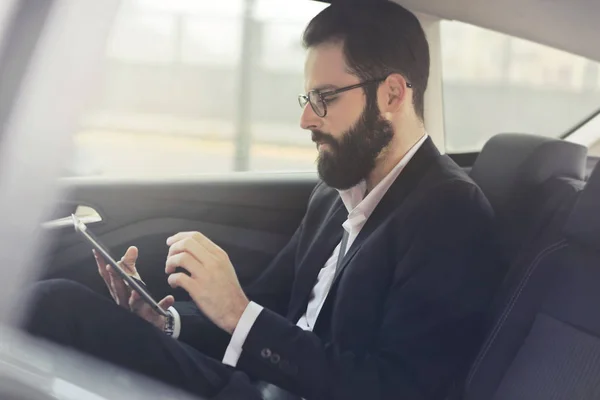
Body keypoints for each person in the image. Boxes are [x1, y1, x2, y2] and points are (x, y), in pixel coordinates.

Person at [23, 2, 503, 399]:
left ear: (393, 94)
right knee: (53, 303)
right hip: (254, 384)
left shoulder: (451, 214)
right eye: (306, 100)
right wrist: (166, 322)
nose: (307, 121)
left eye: (326, 98)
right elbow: (266, 312)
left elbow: (399, 389)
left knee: (50, 307)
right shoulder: (335, 195)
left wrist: (236, 314)